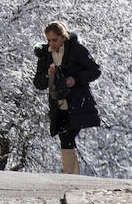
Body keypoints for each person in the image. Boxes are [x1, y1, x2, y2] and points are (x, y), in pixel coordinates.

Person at [33, 21, 101, 174]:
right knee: (65, 139)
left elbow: (95, 71)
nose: (51, 43)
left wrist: (74, 79)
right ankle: (73, 177)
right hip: (58, 105)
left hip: (77, 103)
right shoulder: (45, 55)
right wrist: (47, 75)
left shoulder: (77, 50)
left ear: (63, 37)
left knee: (67, 137)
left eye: (54, 40)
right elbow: (38, 83)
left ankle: (70, 177)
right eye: (48, 40)